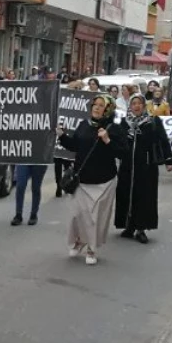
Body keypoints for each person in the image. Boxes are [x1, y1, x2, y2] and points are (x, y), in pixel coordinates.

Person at [57, 94, 120, 265]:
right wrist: (62, 136)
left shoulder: (113, 128)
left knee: (96, 218)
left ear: (108, 110)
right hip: (82, 180)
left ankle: (92, 249)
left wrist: (107, 140)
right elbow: (75, 146)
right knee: (76, 215)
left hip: (104, 181)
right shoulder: (83, 125)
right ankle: (78, 241)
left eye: (101, 106)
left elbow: (122, 152)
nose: (97, 108)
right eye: (95, 105)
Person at [112, 94, 172, 244]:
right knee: (126, 194)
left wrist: (169, 159)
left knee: (144, 196)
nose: (136, 106)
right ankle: (129, 226)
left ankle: (141, 228)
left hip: (146, 166)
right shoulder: (123, 123)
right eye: (133, 103)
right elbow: (116, 143)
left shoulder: (153, 121)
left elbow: (163, 140)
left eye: (139, 103)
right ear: (130, 106)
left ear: (144, 105)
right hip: (127, 166)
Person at [12, 162, 47, 226]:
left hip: (39, 160)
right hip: (23, 159)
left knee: (36, 187)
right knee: (20, 186)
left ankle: (33, 214)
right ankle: (18, 214)